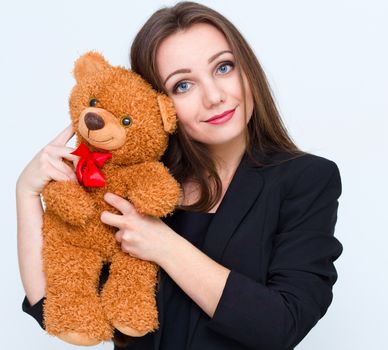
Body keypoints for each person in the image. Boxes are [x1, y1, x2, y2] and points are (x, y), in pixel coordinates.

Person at [17, 1, 343, 349]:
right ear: (160, 104)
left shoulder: (307, 179)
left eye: (224, 67)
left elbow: (282, 324)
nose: (215, 96)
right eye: (183, 85)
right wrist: (25, 191)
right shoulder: (135, 183)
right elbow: (57, 303)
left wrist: (165, 246)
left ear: (247, 68)